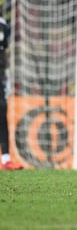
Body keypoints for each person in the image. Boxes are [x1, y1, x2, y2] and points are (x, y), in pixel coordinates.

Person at [0, 17, 23, 170]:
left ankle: (6, 159)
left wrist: (6, 76)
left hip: (0, 76)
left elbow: (5, 53)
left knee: (2, 112)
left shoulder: (3, 26)